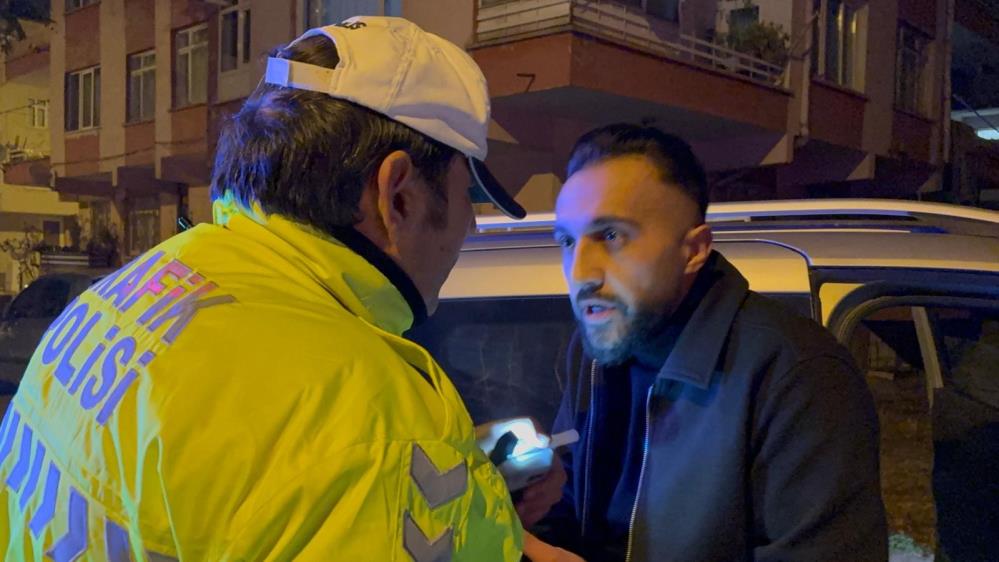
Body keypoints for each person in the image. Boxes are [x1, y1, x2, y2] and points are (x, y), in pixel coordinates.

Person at [0, 16, 575, 561]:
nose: (470, 226)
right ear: (398, 195)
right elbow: (332, 460)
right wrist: (407, 470)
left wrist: (449, 484)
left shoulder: (126, 292)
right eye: (466, 196)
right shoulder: (364, 420)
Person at [517, 123, 888, 561]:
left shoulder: (797, 375)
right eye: (566, 241)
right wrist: (509, 513)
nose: (580, 272)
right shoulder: (595, 354)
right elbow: (567, 516)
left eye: (612, 236)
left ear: (693, 250)